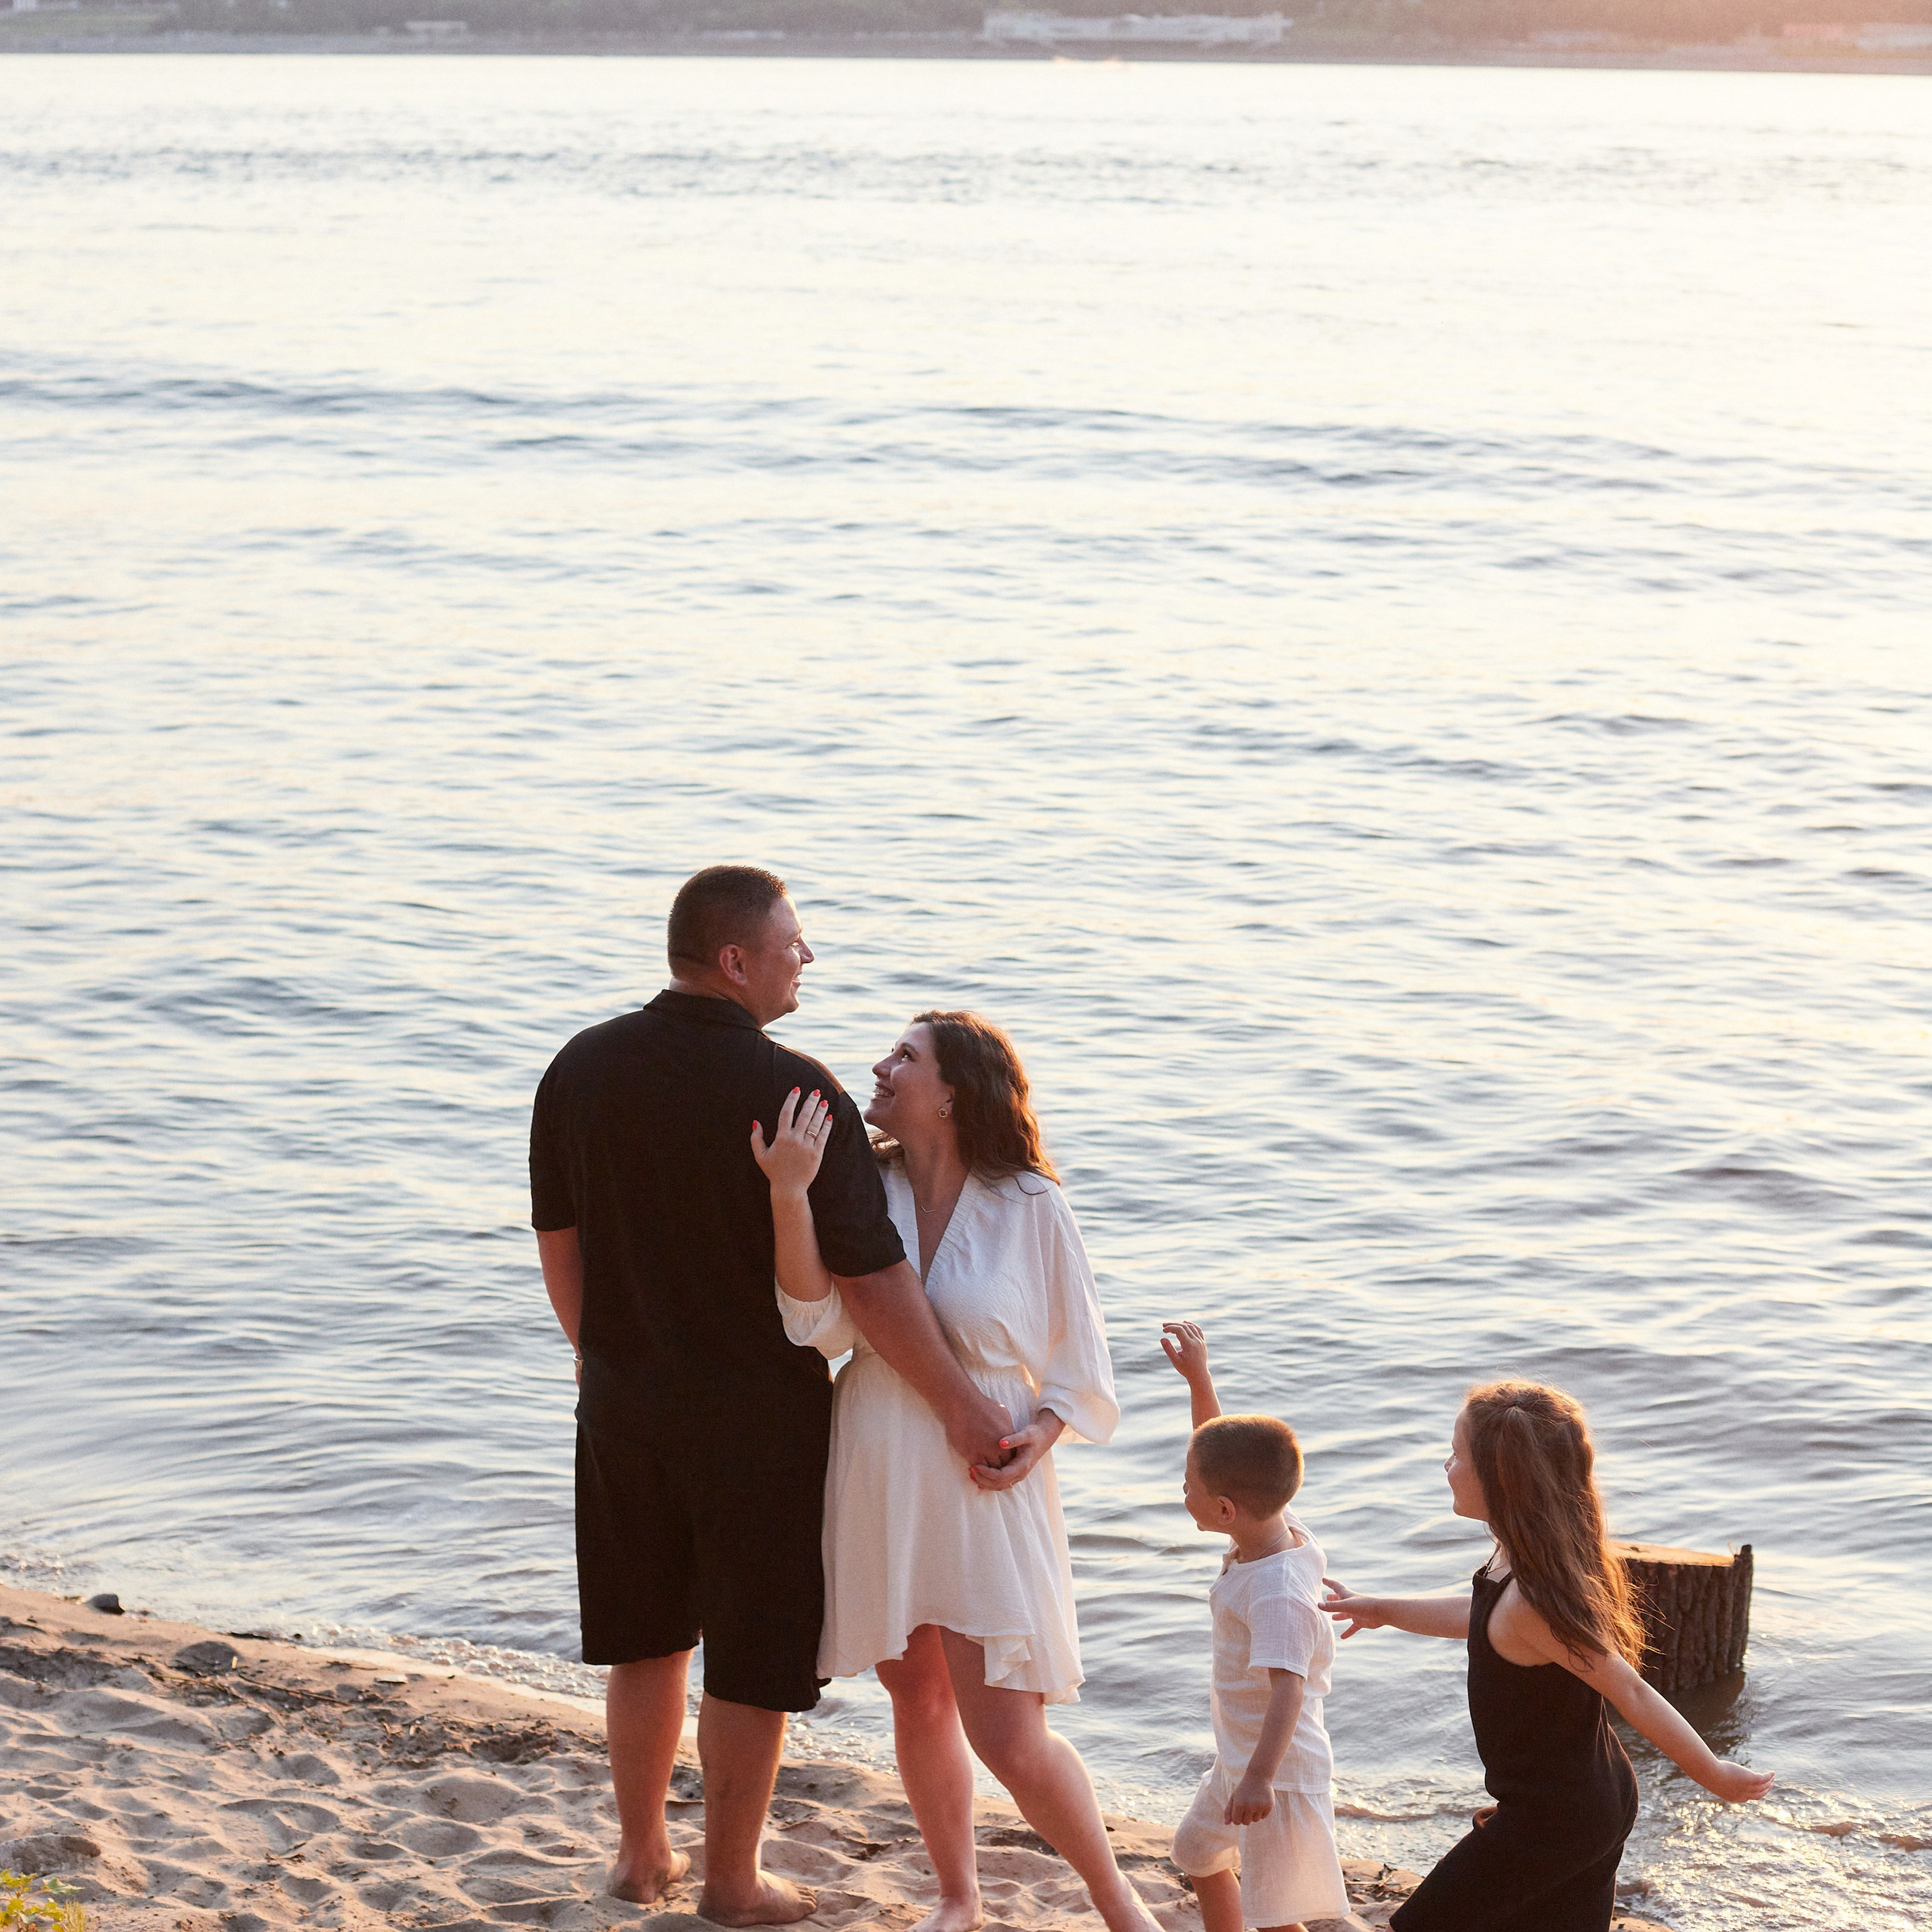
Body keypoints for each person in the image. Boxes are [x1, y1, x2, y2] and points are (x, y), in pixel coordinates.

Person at [529, 867, 1013, 1924]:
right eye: (794, 941)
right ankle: (730, 1882)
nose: (808, 958)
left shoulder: (580, 1067)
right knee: (748, 1655)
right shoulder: (796, 1089)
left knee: (644, 1635)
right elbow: (874, 1285)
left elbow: (558, 1243)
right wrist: (964, 1407)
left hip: (623, 1405)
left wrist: (598, 1356)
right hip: (759, 1422)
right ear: (736, 958)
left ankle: (638, 1857)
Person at [749, 1012, 1161, 1932]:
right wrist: (790, 1193)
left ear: (954, 1091)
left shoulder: (1028, 1205)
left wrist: (1041, 1437)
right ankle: (958, 1895)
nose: (880, 1065)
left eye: (905, 1056)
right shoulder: (865, 1185)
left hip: (986, 1472)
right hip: (880, 1454)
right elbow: (811, 1321)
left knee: (1010, 1733)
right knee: (919, 1694)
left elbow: (1078, 1365)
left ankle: (1119, 1900)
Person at [1322, 1381, 1776, 1932]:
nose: (1446, 1465)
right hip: (1584, 1798)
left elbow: (1630, 1690)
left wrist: (1712, 1771)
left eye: (1458, 1455)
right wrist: (1382, 1609)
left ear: (1501, 1481)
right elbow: (1480, 1615)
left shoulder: (1534, 1600)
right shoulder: (1516, 1566)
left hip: (1555, 1819)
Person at [1157, 1320, 1351, 1932]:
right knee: (1196, 1853)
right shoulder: (1269, 1526)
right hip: (1238, 1762)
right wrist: (1199, 1379)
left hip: (1279, 1774)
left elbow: (1289, 1687)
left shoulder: (1277, 1592)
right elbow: (1218, 1451)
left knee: (1277, 1914)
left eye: (1187, 1487)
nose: (1181, 1491)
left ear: (1223, 1510)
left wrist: (1260, 1780)